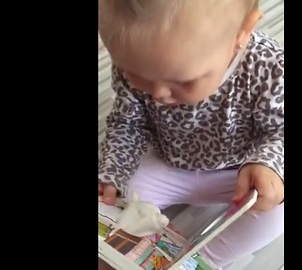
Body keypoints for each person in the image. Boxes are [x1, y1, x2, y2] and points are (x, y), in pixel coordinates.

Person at [98, 0, 284, 268]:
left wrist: (268, 163)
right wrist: (112, 173)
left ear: (241, 34)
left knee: (275, 211)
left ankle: (203, 259)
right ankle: (129, 245)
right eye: (138, 75)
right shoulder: (136, 55)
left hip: (239, 174)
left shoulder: (269, 67)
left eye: (183, 81)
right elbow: (128, 123)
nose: (158, 94)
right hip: (169, 161)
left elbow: (279, 130)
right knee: (121, 192)